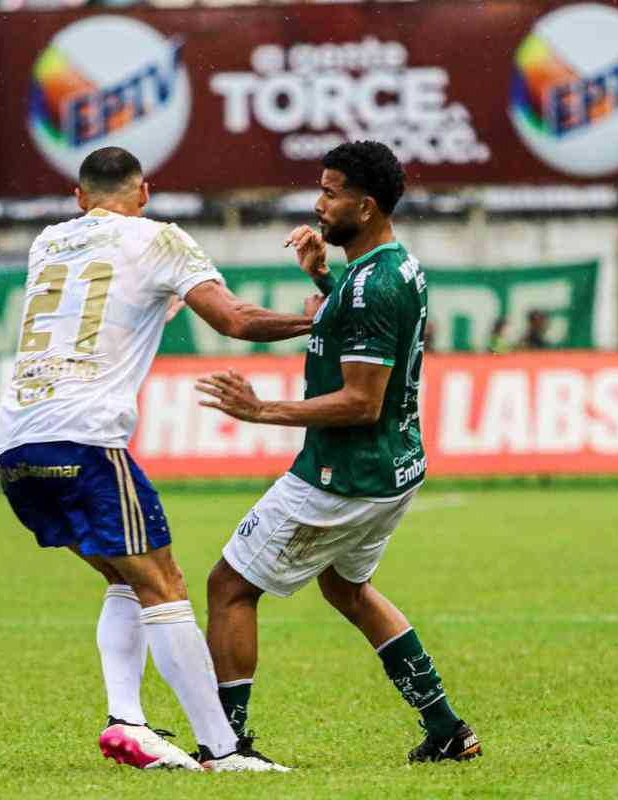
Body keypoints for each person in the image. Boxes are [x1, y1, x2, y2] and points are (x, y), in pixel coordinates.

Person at [0, 146, 305, 772]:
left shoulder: (48, 242)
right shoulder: (161, 239)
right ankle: (222, 749)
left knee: (125, 580)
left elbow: (101, 299)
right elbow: (236, 320)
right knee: (165, 584)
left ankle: (127, 723)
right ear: (146, 193)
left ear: (79, 198)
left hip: (16, 445)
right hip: (84, 438)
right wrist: (311, 322)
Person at [196, 141, 482, 765]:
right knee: (346, 590)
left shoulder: (373, 285)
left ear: (367, 205)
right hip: (394, 467)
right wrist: (322, 277)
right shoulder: (392, 266)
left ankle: (226, 745)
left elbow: (361, 402)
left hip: (342, 476)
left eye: (331, 193)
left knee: (229, 588)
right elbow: (355, 320)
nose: (318, 205)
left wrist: (261, 409)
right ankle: (447, 729)